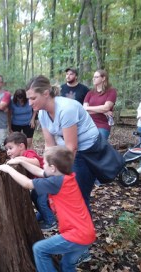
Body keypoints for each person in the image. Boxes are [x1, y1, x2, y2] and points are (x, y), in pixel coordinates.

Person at [0, 146, 96, 272]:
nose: (42, 165)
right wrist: (21, 162)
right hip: (87, 233)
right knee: (67, 265)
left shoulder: (56, 182)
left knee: (40, 249)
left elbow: (28, 184)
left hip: (76, 234)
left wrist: (8, 170)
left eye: (45, 163)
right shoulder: (65, 177)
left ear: (53, 167)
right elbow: (40, 173)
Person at [26, 75, 99, 213]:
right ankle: (51, 217)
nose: (30, 103)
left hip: (88, 151)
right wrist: (48, 168)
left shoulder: (66, 109)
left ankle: (82, 230)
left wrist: (60, 174)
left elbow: (72, 147)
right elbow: (50, 145)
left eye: (33, 98)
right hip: (66, 149)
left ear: (46, 94)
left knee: (78, 194)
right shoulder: (42, 113)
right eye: (28, 98)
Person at [4, 132, 56, 231]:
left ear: (21, 146)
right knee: (34, 197)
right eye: (7, 149)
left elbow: (36, 163)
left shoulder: (28, 153)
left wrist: (20, 159)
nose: (8, 152)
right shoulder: (20, 157)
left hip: (46, 180)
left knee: (41, 200)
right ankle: (42, 215)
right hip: (39, 182)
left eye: (10, 148)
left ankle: (51, 221)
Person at [83, 69, 117, 141]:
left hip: (102, 125)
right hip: (88, 125)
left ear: (103, 78)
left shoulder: (111, 91)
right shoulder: (90, 93)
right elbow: (84, 109)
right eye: (93, 77)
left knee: (99, 145)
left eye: (96, 77)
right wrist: (102, 111)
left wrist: (104, 110)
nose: (93, 79)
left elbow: (106, 107)